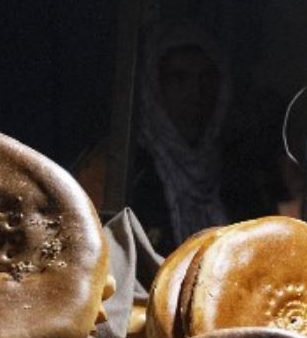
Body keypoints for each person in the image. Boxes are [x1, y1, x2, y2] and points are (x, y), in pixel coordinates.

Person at [76, 20, 232, 254]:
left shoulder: (233, 170)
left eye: (207, 78)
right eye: (180, 79)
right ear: (155, 86)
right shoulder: (121, 165)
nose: (196, 92)